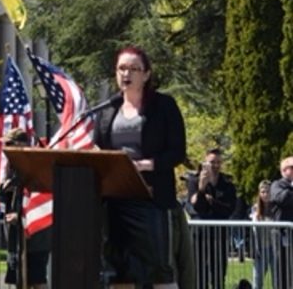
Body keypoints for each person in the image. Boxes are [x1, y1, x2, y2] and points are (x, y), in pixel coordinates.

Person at [93, 45, 187, 289]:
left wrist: (145, 165)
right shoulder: (107, 110)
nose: (127, 74)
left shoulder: (163, 106)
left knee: (159, 269)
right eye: (122, 68)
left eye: (134, 69)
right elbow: (97, 148)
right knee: (119, 269)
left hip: (152, 198)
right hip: (115, 199)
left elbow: (177, 151)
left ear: (146, 75)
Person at [0, 127, 50, 289]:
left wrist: (21, 216)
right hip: (17, 236)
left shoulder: (35, 167)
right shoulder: (12, 170)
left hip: (35, 236)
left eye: (9, 144)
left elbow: (41, 202)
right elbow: (2, 198)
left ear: (20, 145)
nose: (5, 149)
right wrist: (4, 187)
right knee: (20, 279)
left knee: (37, 279)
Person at [186, 148, 237, 289]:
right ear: (205, 163)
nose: (215, 165)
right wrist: (202, 189)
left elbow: (229, 209)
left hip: (219, 234)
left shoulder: (227, 184)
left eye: (218, 162)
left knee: (218, 274)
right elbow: (194, 208)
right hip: (199, 234)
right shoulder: (194, 180)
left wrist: (212, 201)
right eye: (212, 162)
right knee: (198, 272)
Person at [267, 157, 293, 288]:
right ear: (284, 170)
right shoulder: (277, 185)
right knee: (282, 269)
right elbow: (282, 199)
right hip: (281, 234)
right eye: (292, 168)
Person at [250, 179, 275, 289]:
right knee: (257, 280)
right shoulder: (255, 209)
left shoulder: (276, 208)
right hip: (260, 249)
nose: (265, 194)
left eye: (268, 191)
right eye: (263, 192)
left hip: (275, 248)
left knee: (278, 279)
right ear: (259, 193)